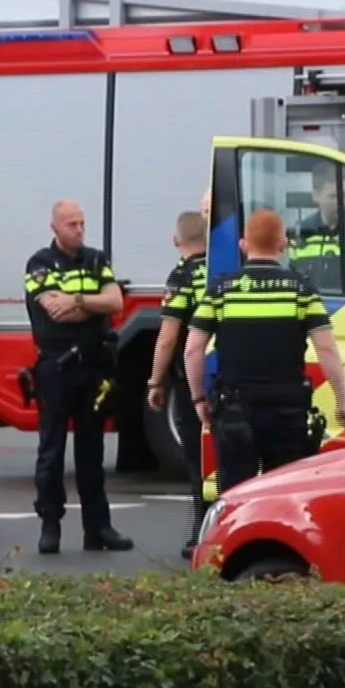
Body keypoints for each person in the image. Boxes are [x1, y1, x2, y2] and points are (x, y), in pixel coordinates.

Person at [183, 209, 345, 495]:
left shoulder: (221, 291)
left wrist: (198, 399)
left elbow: (192, 350)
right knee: (284, 498)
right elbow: (326, 348)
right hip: (287, 414)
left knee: (236, 499)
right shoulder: (300, 290)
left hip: (235, 411)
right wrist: (342, 402)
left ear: (243, 244)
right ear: (283, 244)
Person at [24, 199, 134, 555]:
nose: (79, 230)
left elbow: (116, 301)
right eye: (72, 224)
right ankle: (50, 525)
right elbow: (54, 312)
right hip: (56, 368)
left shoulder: (96, 258)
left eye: (82, 223)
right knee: (51, 451)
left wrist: (77, 301)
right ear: (54, 227)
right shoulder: (40, 263)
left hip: (92, 367)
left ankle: (97, 528)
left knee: (92, 451)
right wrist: (89, 303)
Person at [146, 209, 208, 562]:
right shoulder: (221, 271)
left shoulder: (182, 276)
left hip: (192, 381)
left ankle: (200, 530)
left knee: (197, 457)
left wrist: (155, 381)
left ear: (176, 240)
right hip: (225, 375)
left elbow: (169, 337)